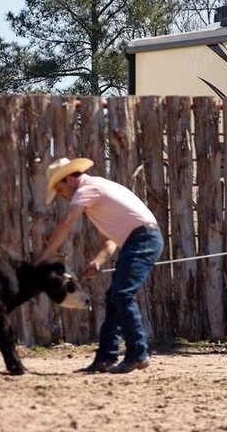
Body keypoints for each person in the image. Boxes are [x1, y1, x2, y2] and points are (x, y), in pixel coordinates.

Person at [37, 156, 163, 374]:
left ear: (69, 179)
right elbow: (110, 240)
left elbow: (66, 224)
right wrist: (98, 261)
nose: (61, 196)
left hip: (143, 239)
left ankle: (138, 353)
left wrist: (44, 257)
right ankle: (106, 357)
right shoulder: (97, 191)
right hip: (142, 238)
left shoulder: (87, 189)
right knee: (115, 297)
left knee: (122, 295)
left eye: (59, 189)